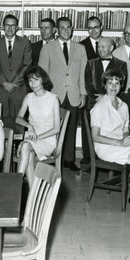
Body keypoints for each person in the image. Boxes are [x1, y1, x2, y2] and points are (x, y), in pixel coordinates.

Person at [90, 69, 130, 213]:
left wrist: (126, 137)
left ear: (121, 86)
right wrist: (119, 143)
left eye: (117, 83)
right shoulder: (99, 106)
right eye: (110, 83)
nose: (113, 86)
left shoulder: (123, 106)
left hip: (120, 143)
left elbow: (124, 129)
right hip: (105, 146)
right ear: (104, 85)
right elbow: (95, 136)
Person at [39, 16, 87, 172]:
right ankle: (51, 158)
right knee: (53, 127)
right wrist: (44, 95)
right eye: (62, 28)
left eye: (68, 27)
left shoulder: (80, 48)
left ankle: (69, 160)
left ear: (72, 29)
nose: (66, 30)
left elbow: (83, 74)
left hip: (73, 94)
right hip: (54, 95)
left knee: (71, 128)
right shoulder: (48, 48)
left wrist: (83, 94)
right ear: (56, 30)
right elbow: (42, 73)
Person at [16, 66, 60, 188]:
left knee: (26, 146)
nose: (33, 83)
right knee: (28, 152)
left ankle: (16, 184)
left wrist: (36, 138)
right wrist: (28, 125)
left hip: (47, 139)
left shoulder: (53, 99)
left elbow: (56, 129)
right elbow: (18, 118)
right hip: (32, 137)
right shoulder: (29, 97)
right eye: (30, 80)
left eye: (36, 79)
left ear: (43, 80)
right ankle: (32, 193)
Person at [0, 14, 32, 117]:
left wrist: (14, 83)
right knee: (1, 122)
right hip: (1, 90)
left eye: (13, 25)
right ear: (3, 27)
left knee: (19, 121)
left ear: (17, 28)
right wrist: (4, 83)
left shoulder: (25, 43)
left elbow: (27, 65)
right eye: (7, 25)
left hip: (19, 89)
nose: (9, 28)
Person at [85, 37, 127, 109]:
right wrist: (97, 97)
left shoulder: (121, 64)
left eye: (103, 47)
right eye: (98, 47)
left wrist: (107, 98)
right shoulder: (90, 63)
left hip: (113, 103)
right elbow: (87, 83)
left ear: (111, 48)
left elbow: (122, 86)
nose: (100, 50)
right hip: (94, 103)